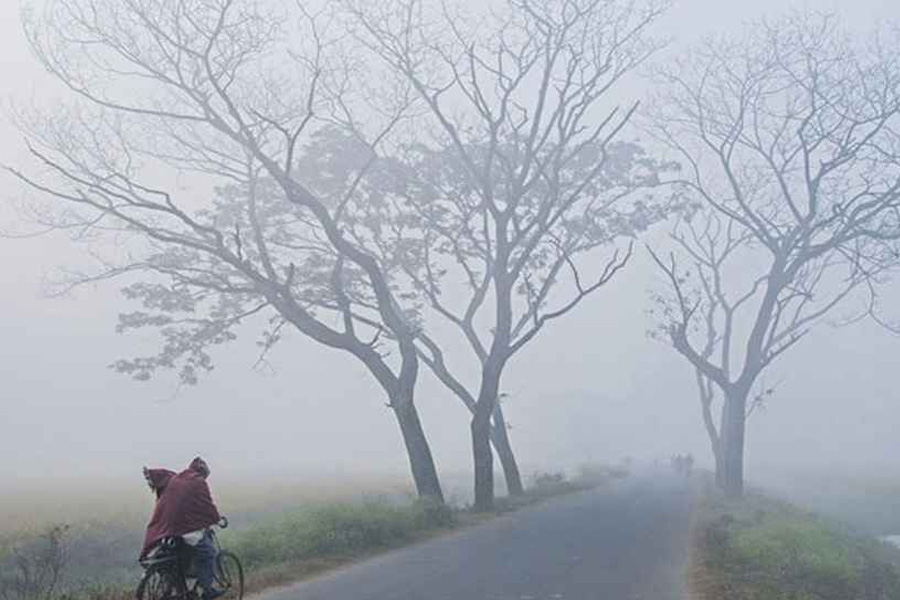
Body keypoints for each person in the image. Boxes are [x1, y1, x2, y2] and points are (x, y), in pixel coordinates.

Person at [141, 457, 225, 600]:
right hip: (186, 529)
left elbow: (163, 476)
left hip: (168, 530)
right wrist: (216, 519)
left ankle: (179, 588)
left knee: (180, 557)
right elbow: (207, 505)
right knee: (209, 553)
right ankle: (207, 591)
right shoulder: (198, 482)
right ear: (203, 472)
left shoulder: (176, 479)